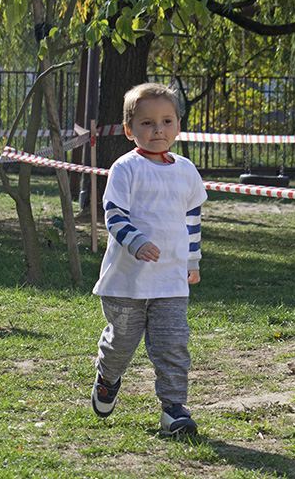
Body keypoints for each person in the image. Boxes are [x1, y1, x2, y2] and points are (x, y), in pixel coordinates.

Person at [90, 83, 208, 437]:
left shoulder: (186, 170)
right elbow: (114, 216)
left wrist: (192, 261)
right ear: (129, 130)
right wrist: (137, 242)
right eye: (147, 123)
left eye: (167, 121)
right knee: (122, 343)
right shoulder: (125, 168)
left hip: (170, 281)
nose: (158, 129)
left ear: (178, 125)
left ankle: (174, 409)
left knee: (172, 345)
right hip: (126, 282)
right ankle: (108, 376)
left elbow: (192, 219)